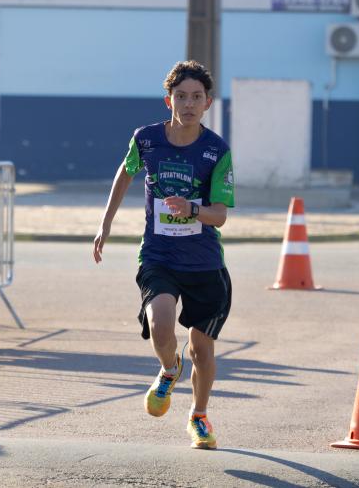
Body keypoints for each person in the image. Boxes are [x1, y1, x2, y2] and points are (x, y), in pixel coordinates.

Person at [93, 60, 235, 450]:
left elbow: (220, 216)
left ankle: (199, 416)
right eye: (180, 96)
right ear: (167, 100)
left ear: (207, 103)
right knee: (160, 326)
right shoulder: (147, 139)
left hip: (205, 262)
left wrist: (191, 209)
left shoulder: (216, 150)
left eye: (196, 97)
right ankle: (169, 369)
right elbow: (126, 172)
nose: (188, 104)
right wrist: (106, 223)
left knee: (202, 349)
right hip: (159, 255)